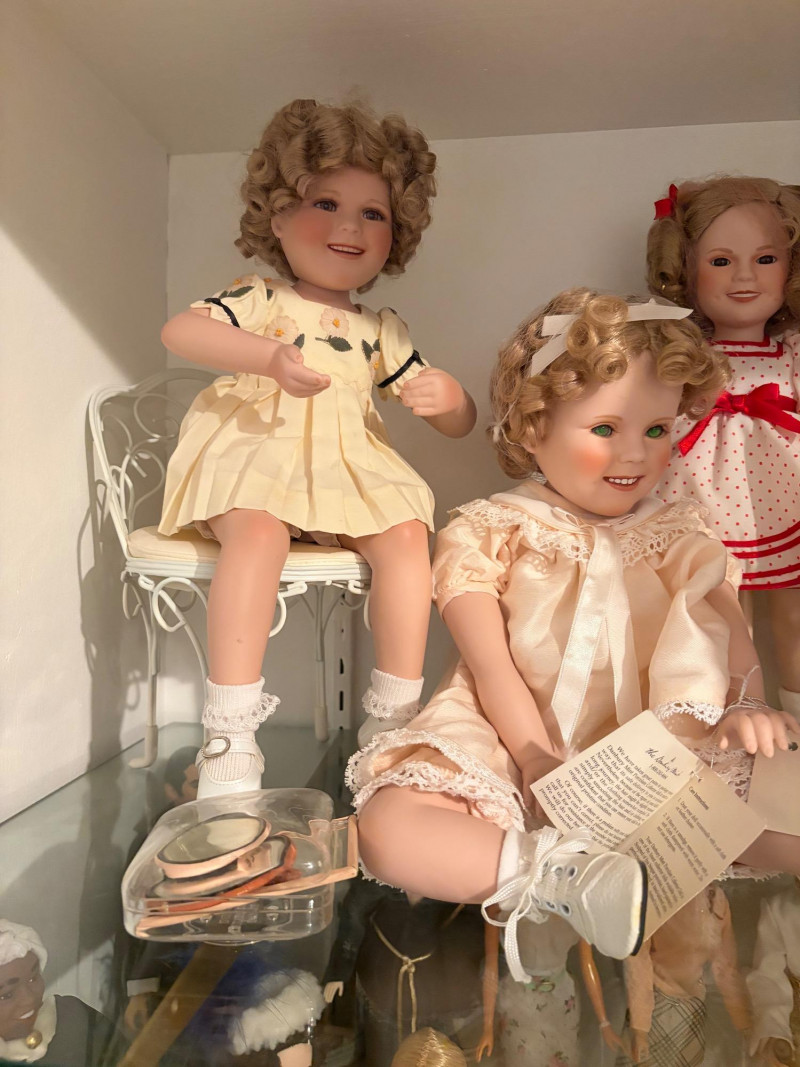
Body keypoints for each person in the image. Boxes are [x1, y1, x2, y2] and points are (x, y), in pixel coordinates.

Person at [348, 288, 800, 972]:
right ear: (533, 428)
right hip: (514, 742)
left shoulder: (680, 531)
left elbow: (728, 627)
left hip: (664, 749)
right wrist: (534, 760)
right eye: (605, 428)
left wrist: (745, 703)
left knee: (782, 808)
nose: (635, 454)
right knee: (387, 829)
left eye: (657, 430)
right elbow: (490, 665)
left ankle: (638, 861)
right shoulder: (491, 531)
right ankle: (564, 874)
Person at [158, 98, 476, 799]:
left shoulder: (381, 330)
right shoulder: (262, 299)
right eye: (325, 203)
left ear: (397, 234)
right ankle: (230, 733)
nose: (349, 226)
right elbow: (181, 332)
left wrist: (450, 398)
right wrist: (268, 358)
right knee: (258, 534)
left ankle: (391, 720)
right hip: (256, 453)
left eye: (373, 213)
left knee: (406, 534)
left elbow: (458, 423)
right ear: (277, 215)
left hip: (342, 471)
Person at [647, 177, 800, 718]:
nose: (744, 276)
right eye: (719, 261)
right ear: (684, 270)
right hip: (700, 500)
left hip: (783, 499)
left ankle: (794, 722)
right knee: (722, 615)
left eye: (765, 258)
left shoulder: (791, 353)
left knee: (793, 614)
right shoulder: (681, 353)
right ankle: (735, 717)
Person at [0, 919, 122, 1065]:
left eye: (33, 978)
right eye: (7, 995)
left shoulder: (71, 1014)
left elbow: (134, 1056)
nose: (29, 999)